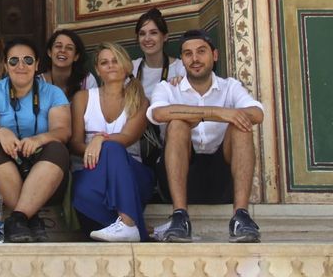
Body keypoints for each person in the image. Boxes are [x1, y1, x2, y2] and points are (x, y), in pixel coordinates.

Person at [147, 29, 264, 243]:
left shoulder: (230, 87)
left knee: (241, 125)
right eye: (188, 54)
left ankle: (241, 217)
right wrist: (215, 112)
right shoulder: (167, 88)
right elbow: (159, 113)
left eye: (201, 51)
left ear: (214, 55)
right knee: (178, 124)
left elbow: (257, 113)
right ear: (182, 59)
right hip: (178, 177)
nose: (195, 59)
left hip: (222, 180)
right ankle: (180, 217)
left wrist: (232, 115)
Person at [0, 38, 71, 243]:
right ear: (4, 65)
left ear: (37, 65)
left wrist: (39, 139)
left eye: (28, 60)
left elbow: (63, 131)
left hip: (44, 175)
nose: (21, 66)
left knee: (57, 148)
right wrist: (0, 132)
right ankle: (29, 217)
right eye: (14, 61)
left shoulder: (53, 93)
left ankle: (17, 218)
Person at [70, 43, 154, 242]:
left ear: (126, 65)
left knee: (112, 148)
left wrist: (99, 139)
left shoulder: (140, 100)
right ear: (97, 70)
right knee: (82, 193)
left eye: (115, 61)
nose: (110, 66)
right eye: (104, 62)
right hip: (91, 171)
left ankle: (127, 223)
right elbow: (74, 143)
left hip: (132, 175)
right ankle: (138, 229)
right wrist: (93, 151)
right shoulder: (83, 97)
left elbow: (126, 138)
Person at [40, 29, 90, 100]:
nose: (63, 50)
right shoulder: (38, 82)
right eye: (58, 46)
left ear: (76, 56)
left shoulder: (87, 80)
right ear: (49, 52)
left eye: (69, 48)